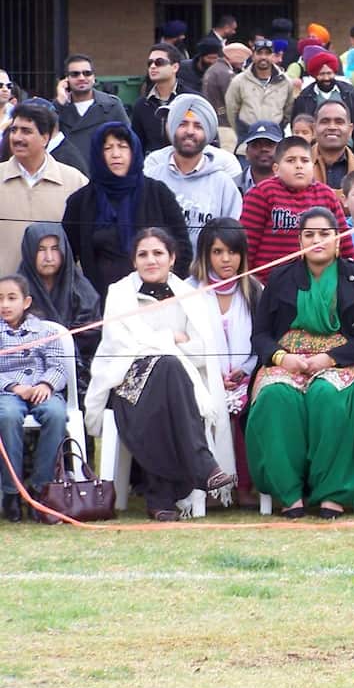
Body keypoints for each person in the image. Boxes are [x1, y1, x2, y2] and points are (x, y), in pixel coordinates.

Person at [85, 228, 237, 520]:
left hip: (178, 389)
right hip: (128, 388)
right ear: (133, 261)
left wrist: (163, 346)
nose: (151, 260)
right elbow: (122, 346)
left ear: (172, 258)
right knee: (168, 364)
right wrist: (170, 339)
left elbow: (201, 351)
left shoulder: (189, 297)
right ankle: (202, 466)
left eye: (158, 253)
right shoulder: (119, 294)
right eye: (143, 254)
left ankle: (161, 499)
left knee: (169, 370)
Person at [247, 208, 354, 518]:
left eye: (324, 234)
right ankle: (289, 495)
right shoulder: (280, 277)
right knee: (275, 397)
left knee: (329, 397)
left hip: (341, 359)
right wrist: (283, 358)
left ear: (338, 240)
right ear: (299, 241)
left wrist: (329, 358)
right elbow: (261, 334)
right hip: (288, 358)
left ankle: (333, 494)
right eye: (309, 234)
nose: (317, 240)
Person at [62, 123, 190, 298]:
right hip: (101, 302)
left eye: (122, 147)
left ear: (134, 150)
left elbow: (182, 246)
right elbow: (67, 256)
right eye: (107, 148)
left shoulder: (158, 193)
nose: (116, 154)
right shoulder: (81, 201)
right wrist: (85, 297)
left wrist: (167, 290)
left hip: (157, 298)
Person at [186, 217, 263, 506]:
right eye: (217, 252)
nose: (225, 259)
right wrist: (213, 373)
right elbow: (185, 343)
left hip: (246, 377)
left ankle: (243, 488)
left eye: (231, 252)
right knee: (206, 408)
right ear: (205, 254)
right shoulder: (189, 291)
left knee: (248, 410)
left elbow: (262, 342)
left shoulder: (254, 290)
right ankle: (210, 488)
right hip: (203, 377)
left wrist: (245, 370)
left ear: (242, 254)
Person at [0, 274, 71, 522]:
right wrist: (14, 386)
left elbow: (59, 366)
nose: (5, 305)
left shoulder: (44, 330)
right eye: (0, 299)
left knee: (55, 414)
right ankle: (11, 491)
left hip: (42, 389)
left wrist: (45, 384)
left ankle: (42, 489)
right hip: (7, 392)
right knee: (7, 416)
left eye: (12, 298)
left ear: (26, 302)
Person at [240, 137, 354, 281]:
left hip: (319, 282)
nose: (299, 166)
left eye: (305, 160)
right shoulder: (261, 194)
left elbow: (344, 242)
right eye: (291, 160)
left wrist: (353, 275)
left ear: (312, 166)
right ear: (276, 169)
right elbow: (246, 246)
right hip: (269, 284)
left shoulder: (326, 195)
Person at [142, 94, 243, 251]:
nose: (190, 131)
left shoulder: (223, 184)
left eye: (198, 126)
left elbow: (232, 239)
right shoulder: (152, 177)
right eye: (182, 124)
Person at [18, 223, 100, 402]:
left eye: (55, 248)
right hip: (26, 376)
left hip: (78, 374)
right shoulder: (16, 292)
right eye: (41, 249)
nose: (49, 257)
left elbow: (91, 337)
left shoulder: (82, 289)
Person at [0, 102, 86, 262]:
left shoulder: (75, 182)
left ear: (45, 138)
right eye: (14, 130)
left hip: (58, 285)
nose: (17, 137)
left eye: (26, 131)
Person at [54, 54, 129, 164]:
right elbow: (46, 132)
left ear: (93, 78)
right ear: (66, 79)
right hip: (69, 174)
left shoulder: (112, 105)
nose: (81, 78)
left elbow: (127, 141)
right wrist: (60, 100)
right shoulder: (58, 108)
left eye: (87, 73)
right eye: (75, 74)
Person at [293, 50, 354, 154]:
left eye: (329, 73)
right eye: (322, 74)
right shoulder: (305, 97)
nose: (326, 78)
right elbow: (297, 123)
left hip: (348, 151)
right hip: (315, 153)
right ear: (315, 75)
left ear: (334, 72)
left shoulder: (349, 92)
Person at [225, 38, 295, 141]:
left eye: (267, 53)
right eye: (259, 53)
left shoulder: (285, 82)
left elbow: (288, 110)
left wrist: (278, 126)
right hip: (246, 138)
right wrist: (241, 130)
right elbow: (231, 110)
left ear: (273, 56)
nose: (263, 57)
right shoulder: (239, 81)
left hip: (275, 138)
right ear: (253, 56)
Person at [311, 99, 354, 196]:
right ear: (314, 129)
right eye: (325, 121)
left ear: (350, 130)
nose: (332, 127)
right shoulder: (296, 166)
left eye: (339, 122)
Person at [132, 43, 187, 153]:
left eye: (159, 62)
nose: (153, 66)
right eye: (149, 63)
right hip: (153, 166)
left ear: (175, 67)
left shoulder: (191, 100)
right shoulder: (142, 105)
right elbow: (137, 145)